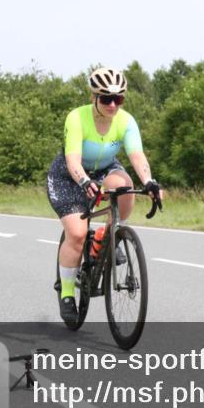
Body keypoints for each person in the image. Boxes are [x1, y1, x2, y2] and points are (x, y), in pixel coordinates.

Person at [46, 67, 161, 323]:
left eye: (118, 99)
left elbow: (136, 155)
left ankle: (107, 236)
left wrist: (150, 182)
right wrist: (85, 181)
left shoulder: (126, 121)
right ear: (93, 97)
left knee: (125, 187)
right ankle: (66, 292)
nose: (112, 105)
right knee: (76, 234)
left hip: (105, 169)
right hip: (69, 175)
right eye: (106, 98)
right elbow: (73, 159)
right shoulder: (77, 118)